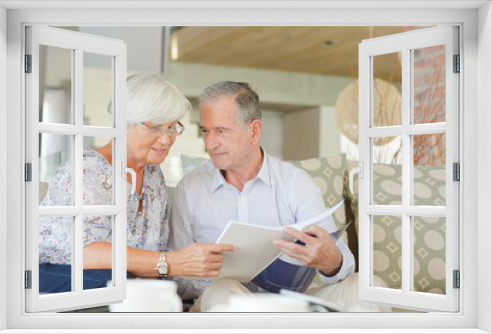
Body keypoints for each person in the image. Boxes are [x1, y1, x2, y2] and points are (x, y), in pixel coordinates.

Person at [169, 81, 387, 312]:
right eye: (205, 131)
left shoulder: (295, 182)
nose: (210, 143)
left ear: (254, 131)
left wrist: (331, 260)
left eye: (221, 131)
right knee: (223, 289)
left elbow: (341, 260)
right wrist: (207, 272)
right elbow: (176, 278)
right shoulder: (190, 188)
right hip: (224, 303)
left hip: (287, 305)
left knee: (366, 287)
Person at [39, 74, 235, 292]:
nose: (166, 139)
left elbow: (151, 257)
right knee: (124, 284)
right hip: (57, 278)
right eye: (154, 127)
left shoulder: (152, 175)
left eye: (172, 127)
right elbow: (85, 253)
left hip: (123, 284)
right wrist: (171, 262)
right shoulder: (86, 171)